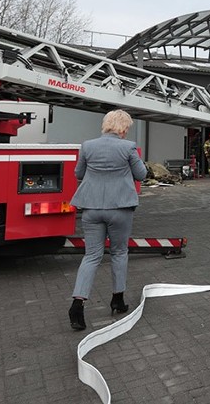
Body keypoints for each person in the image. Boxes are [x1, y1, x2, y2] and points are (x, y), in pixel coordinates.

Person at [67, 109, 148, 331]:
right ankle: (117, 299)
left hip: (91, 208)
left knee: (92, 256)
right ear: (123, 128)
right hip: (120, 208)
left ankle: (77, 303)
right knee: (119, 252)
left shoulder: (88, 145)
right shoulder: (128, 147)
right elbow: (141, 175)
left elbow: (78, 173)